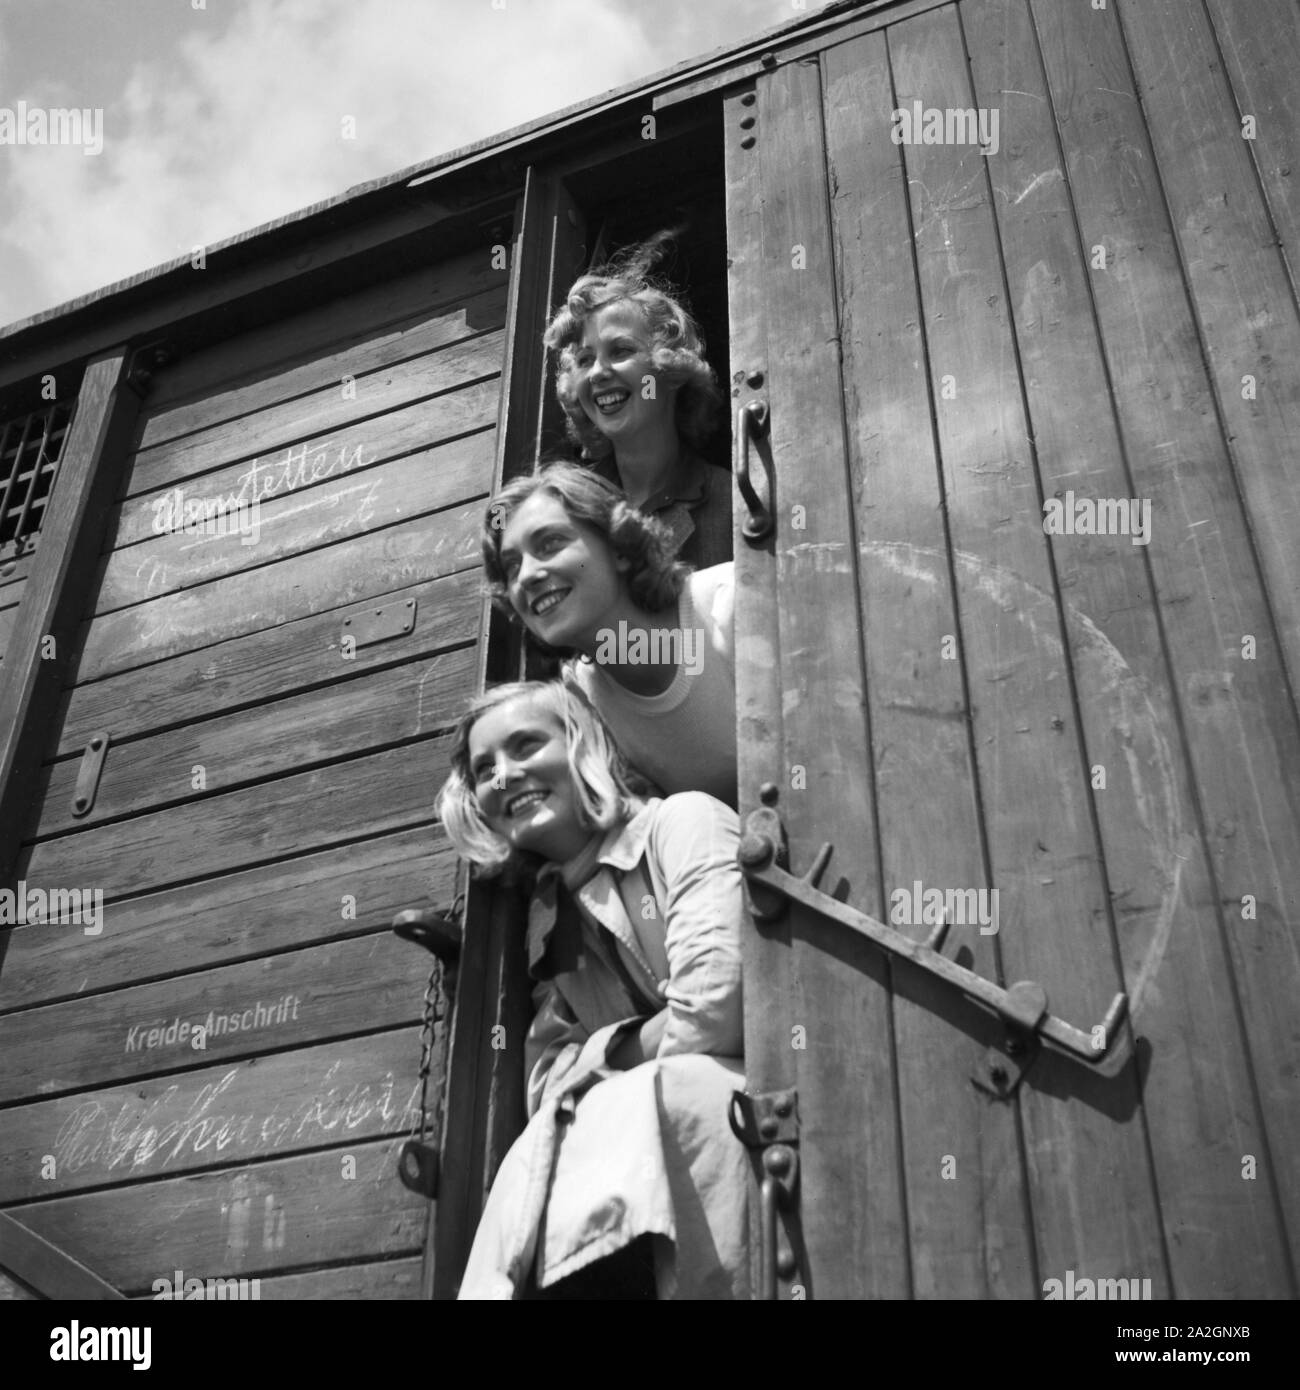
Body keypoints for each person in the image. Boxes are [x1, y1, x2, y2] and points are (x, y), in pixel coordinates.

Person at [437, 680, 750, 1299]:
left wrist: (605, 1056)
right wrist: (626, 1051)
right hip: (636, 1170)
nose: (504, 775)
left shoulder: (684, 822)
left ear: (584, 745)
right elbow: (546, 1081)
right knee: (531, 1158)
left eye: (526, 745)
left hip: (729, 1131)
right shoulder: (548, 920)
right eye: (484, 769)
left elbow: (718, 1006)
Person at [482, 461, 737, 807]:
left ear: (619, 547)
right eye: (511, 566)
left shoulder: (728, 603)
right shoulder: (583, 701)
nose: (526, 576)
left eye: (550, 543)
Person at [543, 233, 732, 570]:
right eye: (585, 360)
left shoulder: (729, 501)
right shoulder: (563, 510)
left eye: (621, 351)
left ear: (668, 369)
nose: (598, 373)